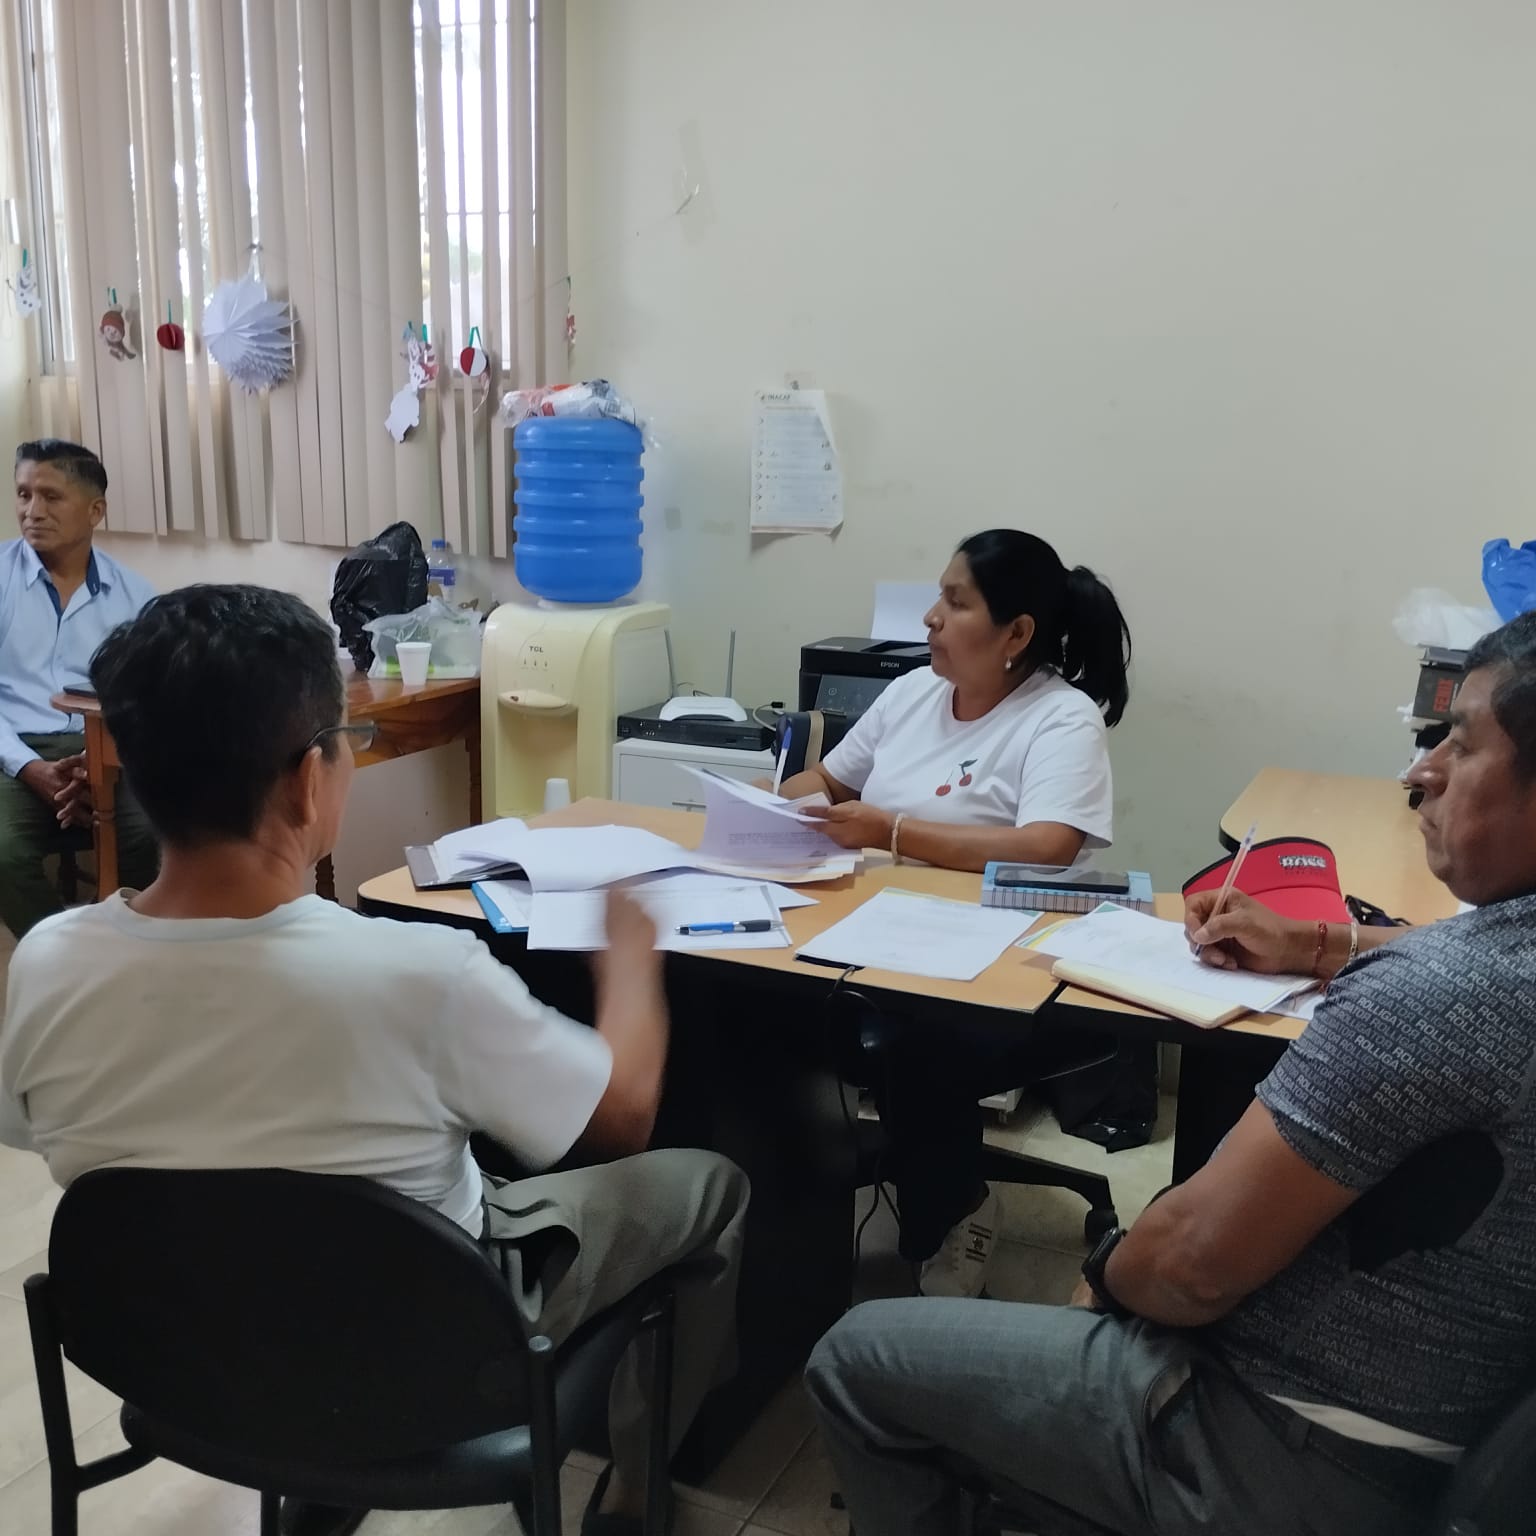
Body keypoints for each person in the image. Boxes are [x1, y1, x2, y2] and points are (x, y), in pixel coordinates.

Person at [0, 584, 748, 1536]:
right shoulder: (419, 974)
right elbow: (622, 1118)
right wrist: (631, 961)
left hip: (176, 1362)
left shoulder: (48, 961)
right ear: (307, 781)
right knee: (710, 1186)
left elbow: (33, 1130)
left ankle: (323, 1479)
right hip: (427, 1360)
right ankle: (639, 1495)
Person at [804, 612, 1536, 1536]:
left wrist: (1105, 1277)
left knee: (857, 1359)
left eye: (1461, 744)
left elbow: (1191, 1269)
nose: (1420, 772)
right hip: (1445, 1419)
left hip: (1288, 1440)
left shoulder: (1436, 999)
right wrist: (1319, 942)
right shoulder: (1491, 965)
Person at [777, 528, 1133, 1296]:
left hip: (1009, 968)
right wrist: (759, 810)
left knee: (919, 1050)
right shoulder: (912, 692)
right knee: (763, 1002)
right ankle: (784, 1222)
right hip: (883, 937)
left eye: (955, 601)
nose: (931, 617)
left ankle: (957, 1210)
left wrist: (893, 831)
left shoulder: (1059, 717)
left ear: (1017, 634)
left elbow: (1049, 846)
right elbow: (831, 786)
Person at [0, 439, 158, 938]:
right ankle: (65, 957)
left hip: (107, 750)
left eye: (50, 496)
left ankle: (128, 952)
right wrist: (30, 768)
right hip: (12, 750)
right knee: (4, 851)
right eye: (23, 494)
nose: (32, 511)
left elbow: (149, 700)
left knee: (151, 835)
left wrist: (99, 760)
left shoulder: (137, 597)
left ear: (95, 511)